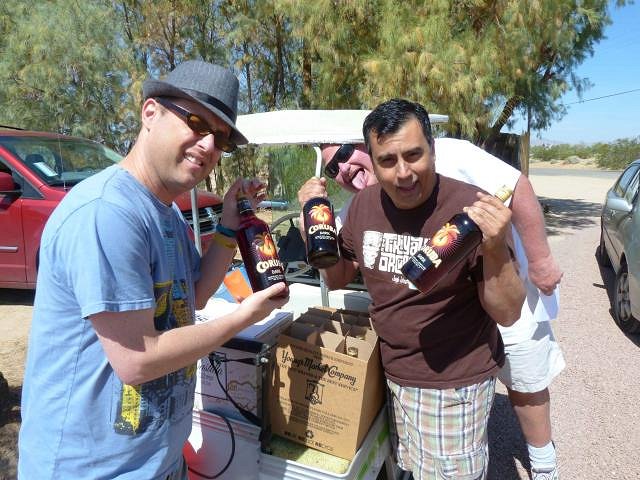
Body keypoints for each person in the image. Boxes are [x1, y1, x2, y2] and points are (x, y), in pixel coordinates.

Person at [18, 60, 288, 479]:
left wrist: (229, 224)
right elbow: (137, 360)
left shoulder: (166, 212)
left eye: (220, 138)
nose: (208, 145)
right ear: (150, 113)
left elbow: (196, 294)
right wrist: (243, 318)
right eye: (196, 123)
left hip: (156, 462)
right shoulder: (108, 212)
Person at [306, 132, 565, 478]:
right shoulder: (358, 207)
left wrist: (540, 258)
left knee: (526, 380)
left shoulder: (451, 153)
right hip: (418, 360)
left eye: (344, 154)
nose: (342, 169)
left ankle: (544, 463)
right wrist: (311, 216)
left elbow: (516, 187)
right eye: (332, 168)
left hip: (501, 281)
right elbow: (336, 269)